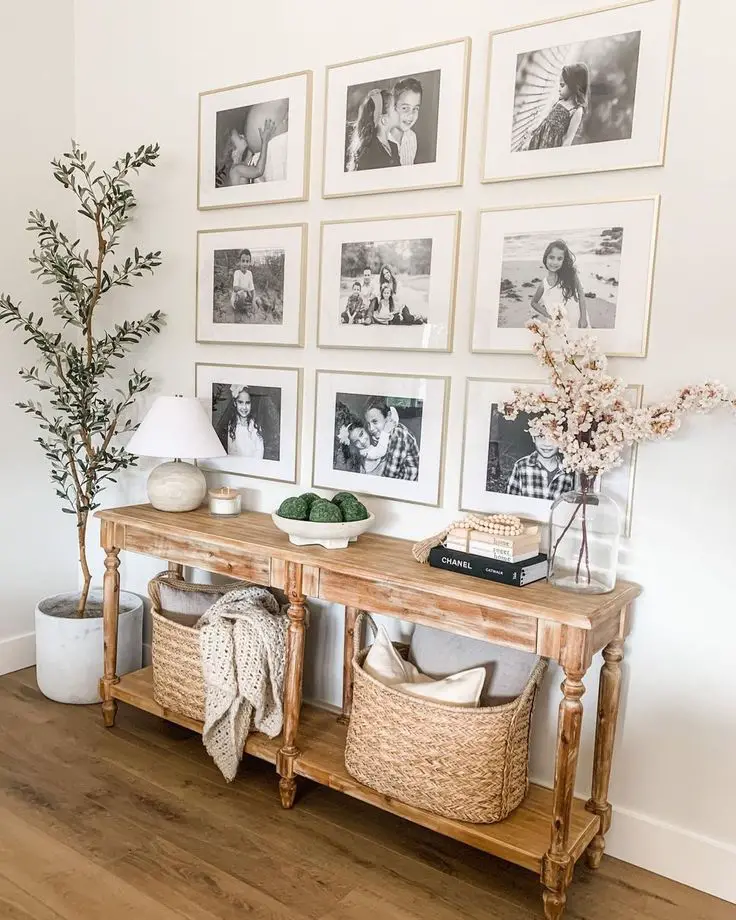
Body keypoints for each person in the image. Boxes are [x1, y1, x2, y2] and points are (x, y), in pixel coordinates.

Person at [527, 63, 589, 150]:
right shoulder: (561, 101)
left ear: (573, 86)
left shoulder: (576, 110)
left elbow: (568, 139)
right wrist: (535, 129)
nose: (559, 89)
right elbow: (546, 120)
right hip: (538, 142)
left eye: (562, 85)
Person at [529, 239, 589, 328]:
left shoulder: (570, 275)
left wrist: (583, 317)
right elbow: (534, 302)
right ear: (546, 258)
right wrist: (547, 315)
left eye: (559, 259)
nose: (555, 262)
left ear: (563, 261)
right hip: (558, 325)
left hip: (576, 317)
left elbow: (581, 294)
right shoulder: (544, 284)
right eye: (551, 257)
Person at [507, 431, 574, 500]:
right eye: (541, 436)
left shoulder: (569, 470)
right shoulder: (521, 466)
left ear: (562, 440)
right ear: (533, 438)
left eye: (554, 437)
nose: (547, 444)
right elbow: (510, 502)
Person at [345, 89, 400, 171]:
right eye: (395, 108)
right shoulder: (368, 152)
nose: (399, 111)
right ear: (384, 120)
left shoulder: (394, 147)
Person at [364, 400, 419, 480]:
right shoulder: (382, 434)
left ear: (388, 416)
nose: (371, 429)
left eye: (375, 421)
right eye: (368, 424)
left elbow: (389, 476)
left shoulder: (398, 435)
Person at [220, 118, 277, 186]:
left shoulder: (240, 165)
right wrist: (264, 141)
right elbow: (258, 171)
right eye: (240, 137)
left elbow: (249, 156)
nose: (242, 135)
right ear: (234, 153)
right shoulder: (236, 169)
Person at [217, 385, 265, 459]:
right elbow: (231, 451)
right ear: (235, 403)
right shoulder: (232, 426)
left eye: (247, 403)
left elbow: (260, 450)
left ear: (251, 404)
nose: (244, 407)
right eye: (240, 402)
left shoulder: (255, 425)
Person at [390, 77, 422, 166]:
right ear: (393, 107)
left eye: (415, 108)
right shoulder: (381, 139)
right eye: (405, 108)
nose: (411, 115)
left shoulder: (412, 137)